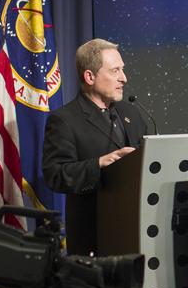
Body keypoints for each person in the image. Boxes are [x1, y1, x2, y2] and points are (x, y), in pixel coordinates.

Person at [43, 39, 147, 255]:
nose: (124, 78)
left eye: (123, 70)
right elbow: (55, 175)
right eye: (115, 71)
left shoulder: (132, 112)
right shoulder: (64, 120)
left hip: (139, 234)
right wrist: (99, 163)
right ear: (89, 77)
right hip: (95, 238)